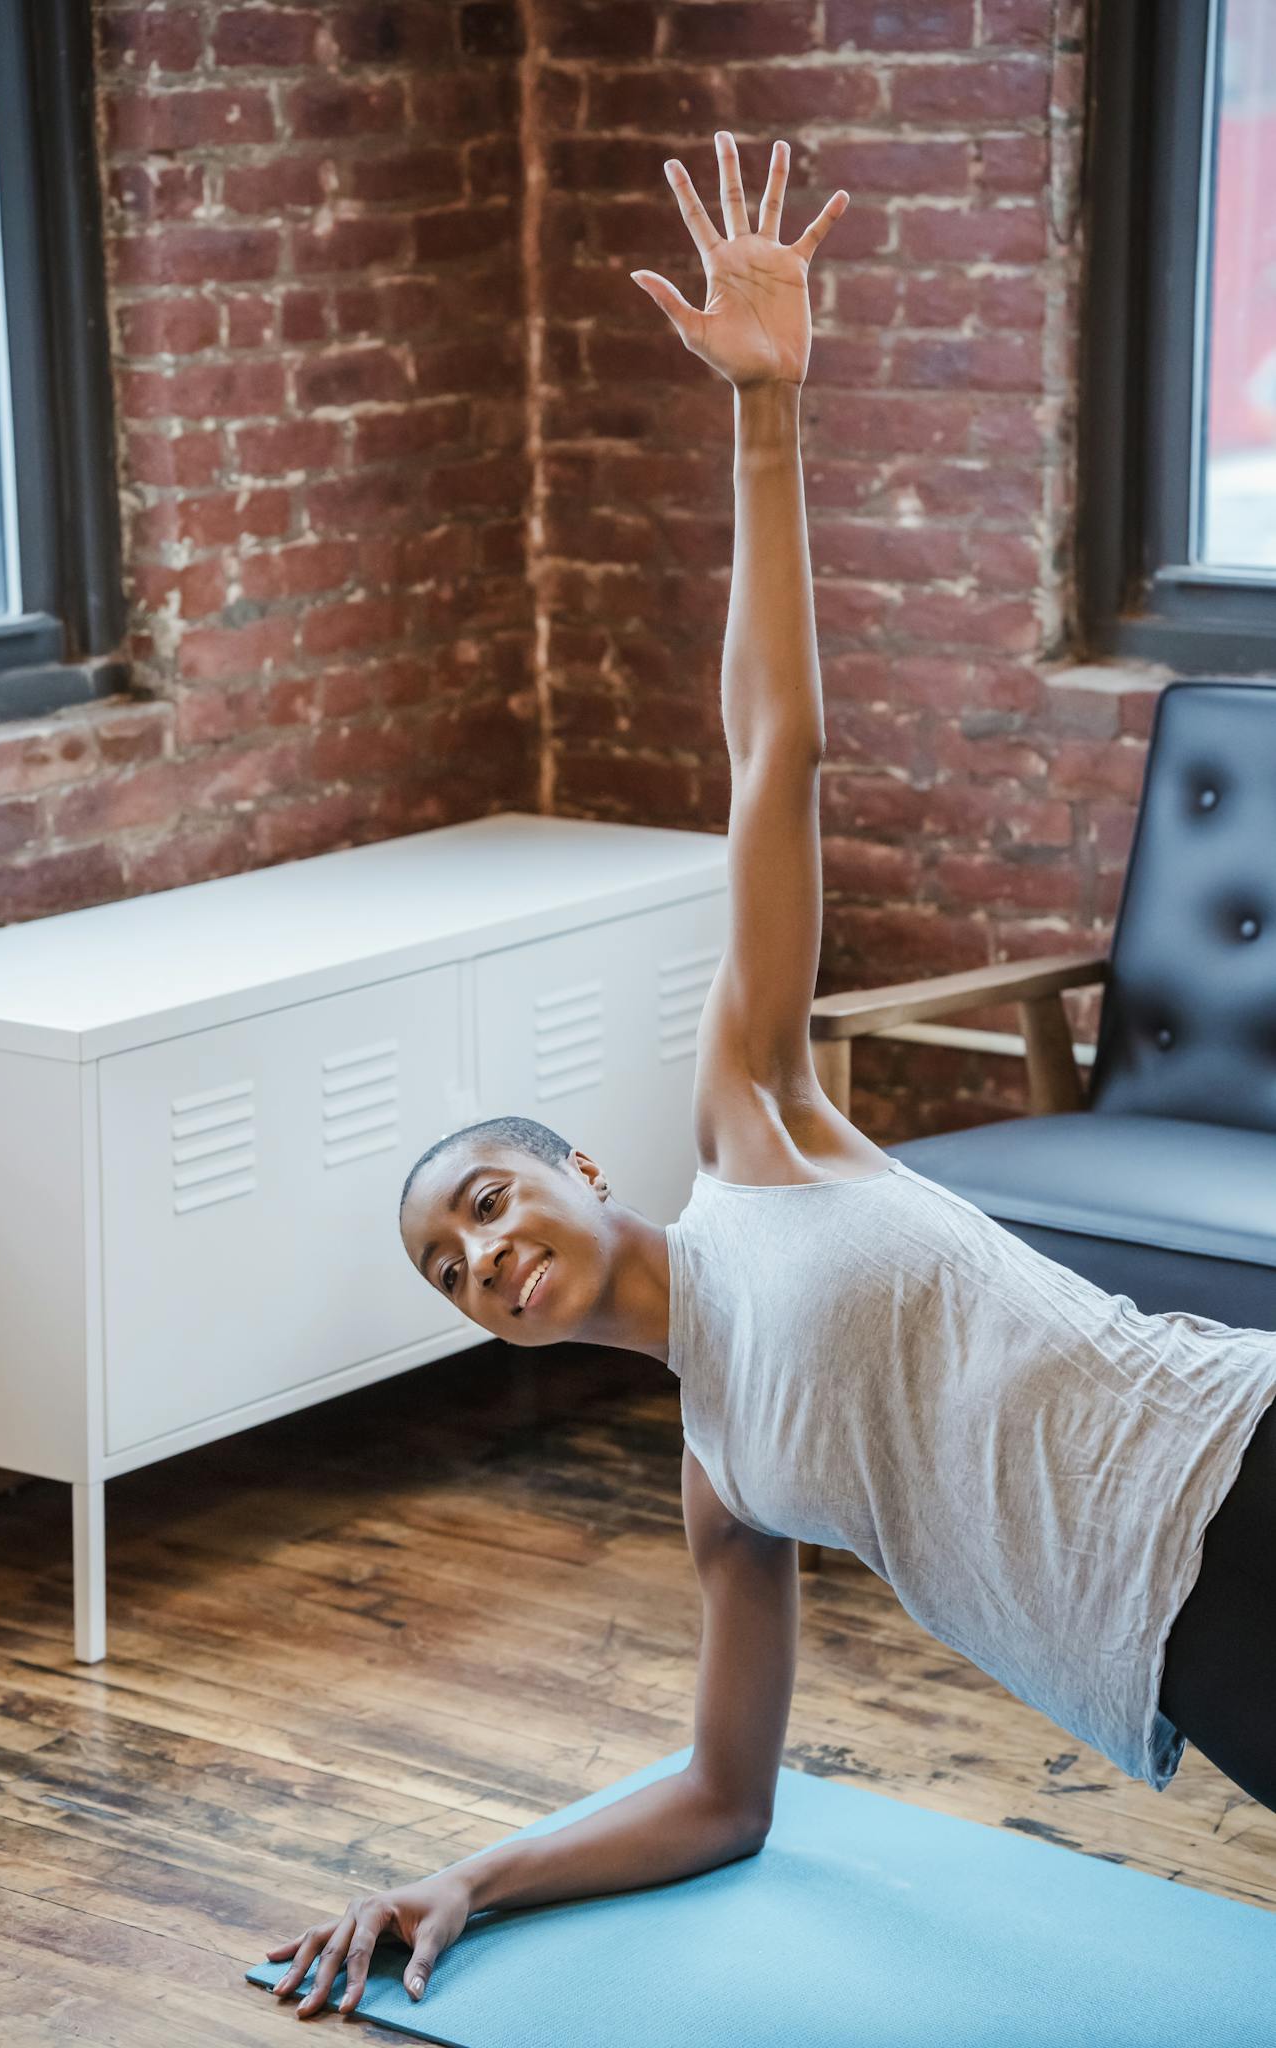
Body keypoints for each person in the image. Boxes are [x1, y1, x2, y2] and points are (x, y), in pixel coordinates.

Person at [264, 132, 1276, 2021]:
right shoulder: (725, 1480)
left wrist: (764, 418)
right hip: (1175, 1649)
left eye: (486, 1201)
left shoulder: (754, 1134)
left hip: (1237, 1453)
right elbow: (724, 1801)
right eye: (449, 1268)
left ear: (574, 1165)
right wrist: (461, 1875)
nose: (483, 1254)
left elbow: (772, 762)